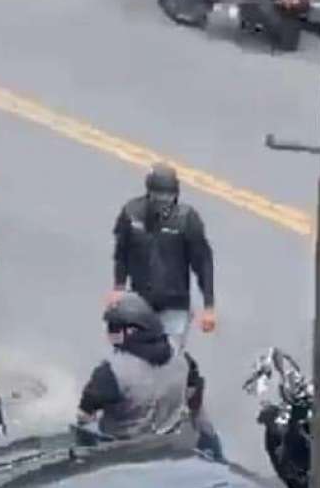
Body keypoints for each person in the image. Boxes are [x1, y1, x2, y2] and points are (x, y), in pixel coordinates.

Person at [111, 165, 222, 456]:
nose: (162, 200)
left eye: (168, 195)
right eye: (157, 194)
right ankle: (137, 416)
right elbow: (121, 252)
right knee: (133, 362)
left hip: (174, 306)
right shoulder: (131, 214)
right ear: (148, 192)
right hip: (140, 303)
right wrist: (118, 287)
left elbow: (203, 264)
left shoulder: (187, 220)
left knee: (167, 362)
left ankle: (167, 421)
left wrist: (208, 305)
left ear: (176, 195)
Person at [78, 294, 196, 453]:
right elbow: (192, 390)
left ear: (132, 331)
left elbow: (84, 414)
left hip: (123, 452)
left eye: (113, 328)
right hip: (172, 442)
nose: (109, 334)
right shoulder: (182, 357)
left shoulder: (111, 371)